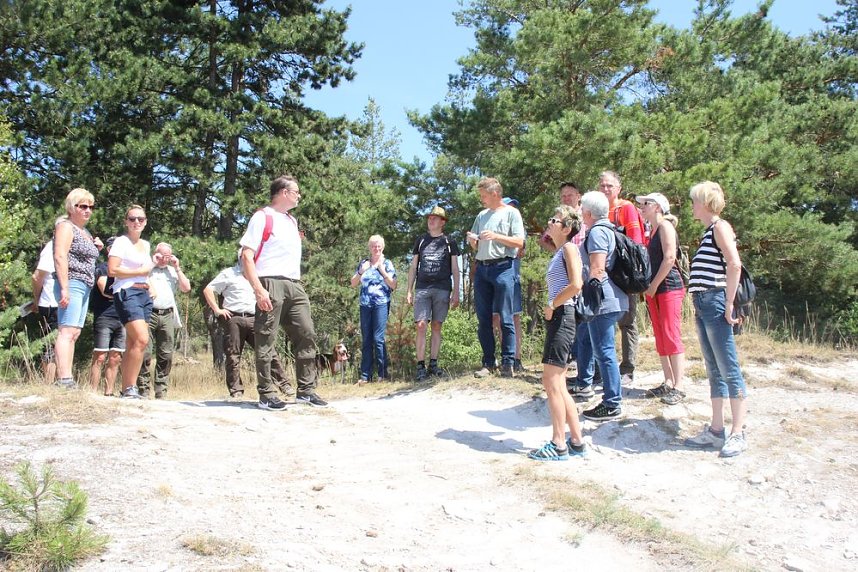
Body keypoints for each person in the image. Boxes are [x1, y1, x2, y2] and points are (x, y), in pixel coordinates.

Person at [240, 174, 328, 410]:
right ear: (283, 193)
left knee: (306, 334)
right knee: (266, 338)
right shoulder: (262, 217)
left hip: (295, 285)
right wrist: (259, 290)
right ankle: (267, 394)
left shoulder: (291, 221)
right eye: (296, 191)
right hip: (270, 282)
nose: (299, 195)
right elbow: (246, 256)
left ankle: (306, 391)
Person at [683, 181, 748, 457]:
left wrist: (730, 302)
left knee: (728, 366)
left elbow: (734, 264)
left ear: (704, 202)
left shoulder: (720, 227)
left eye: (694, 201)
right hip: (704, 302)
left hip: (715, 301)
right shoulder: (710, 230)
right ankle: (716, 429)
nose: (692, 206)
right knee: (714, 367)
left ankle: (738, 431)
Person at [527, 205, 587, 461]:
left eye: (556, 220)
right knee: (559, 384)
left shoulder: (570, 249)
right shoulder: (560, 251)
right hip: (561, 317)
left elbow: (576, 284)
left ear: (567, 228)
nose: (550, 222)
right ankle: (576, 441)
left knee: (551, 381)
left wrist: (552, 305)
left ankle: (558, 443)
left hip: (563, 316)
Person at [569, 191, 628, 421]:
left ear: (589, 212)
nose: (580, 211)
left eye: (582, 208)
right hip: (613, 298)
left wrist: (587, 299)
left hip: (603, 301)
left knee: (604, 352)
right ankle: (611, 400)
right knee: (604, 351)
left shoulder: (597, 233)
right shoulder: (609, 229)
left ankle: (612, 403)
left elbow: (597, 269)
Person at [203, 253, 294, 399]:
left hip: (255, 318)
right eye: (249, 258)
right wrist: (217, 310)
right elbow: (208, 289)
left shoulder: (260, 275)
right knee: (233, 355)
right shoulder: (228, 273)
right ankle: (236, 391)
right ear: (241, 259)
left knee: (268, 351)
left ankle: (284, 384)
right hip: (234, 318)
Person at [467, 177, 525, 378]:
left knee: (506, 317)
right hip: (482, 269)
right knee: (483, 319)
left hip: (503, 267)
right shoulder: (482, 215)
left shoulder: (511, 213)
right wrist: (472, 240)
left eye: (483, 196)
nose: (481, 199)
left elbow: (519, 242)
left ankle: (509, 362)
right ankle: (488, 362)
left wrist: (496, 236)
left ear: (494, 194)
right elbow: (476, 243)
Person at [636, 193, 686, 405]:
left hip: (668, 288)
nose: (642, 207)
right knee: (660, 335)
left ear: (657, 207)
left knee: (671, 333)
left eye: (646, 204)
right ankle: (667, 380)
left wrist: (654, 284)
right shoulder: (653, 230)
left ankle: (679, 386)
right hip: (655, 290)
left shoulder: (665, 227)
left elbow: (669, 258)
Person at [52, 188, 101, 388]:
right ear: (72, 208)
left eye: (91, 207)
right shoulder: (65, 226)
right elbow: (60, 256)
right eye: (83, 206)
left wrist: (96, 248)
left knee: (74, 332)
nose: (87, 210)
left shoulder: (85, 232)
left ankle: (67, 377)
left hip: (84, 284)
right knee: (66, 330)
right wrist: (64, 288)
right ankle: (64, 379)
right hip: (71, 281)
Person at [599, 171, 645, 384]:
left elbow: (636, 243)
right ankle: (601, 367)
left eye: (610, 185)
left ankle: (627, 367)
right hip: (601, 272)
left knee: (627, 321)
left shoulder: (626, 208)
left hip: (623, 273)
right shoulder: (597, 209)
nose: (606, 189)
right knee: (599, 320)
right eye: (602, 185)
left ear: (619, 188)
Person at [405, 206, 460, 382]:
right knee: (421, 325)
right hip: (422, 288)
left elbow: (455, 268)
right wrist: (409, 290)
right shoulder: (421, 240)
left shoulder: (449, 241)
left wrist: (457, 291)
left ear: (443, 222)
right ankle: (420, 366)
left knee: (436, 325)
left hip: (443, 288)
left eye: (435, 218)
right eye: (429, 218)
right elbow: (413, 266)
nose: (431, 220)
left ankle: (433, 364)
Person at [108, 205, 154, 399]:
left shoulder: (146, 244)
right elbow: (112, 270)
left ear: (145, 222)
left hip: (144, 293)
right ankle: (130, 388)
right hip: (127, 292)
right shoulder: (121, 242)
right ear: (126, 221)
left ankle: (127, 387)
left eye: (141, 219)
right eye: (133, 219)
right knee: (142, 339)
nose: (137, 222)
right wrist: (139, 273)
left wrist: (149, 285)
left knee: (133, 342)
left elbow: (147, 271)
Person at [137, 242, 191, 399]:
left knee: (166, 354)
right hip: (148, 313)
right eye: (162, 256)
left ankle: (161, 390)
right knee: (145, 352)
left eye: (168, 256)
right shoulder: (148, 267)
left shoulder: (172, 271)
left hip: (167, 314)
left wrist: (177, 267)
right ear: (156, 253)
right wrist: (153, 262)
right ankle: (143, 389)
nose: (165, 259)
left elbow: (186, 288)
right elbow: (140, 275)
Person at [350, 235, 397, 383]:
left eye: (379, 246)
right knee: (367, 340)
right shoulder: (364, 263)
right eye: (373, 246)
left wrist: (383, 271)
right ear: (370, 247)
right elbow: (353, 283)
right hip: (365, 305)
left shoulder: (387, 263)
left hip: (381, 304)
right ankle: (365, 376)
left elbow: (393, 285)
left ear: (382, 247)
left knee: (378, 339)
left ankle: (383, 374)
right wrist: (360, 272)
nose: (376, 248)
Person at [89, 237, 125, 396]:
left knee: (116, 357)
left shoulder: (126, 270)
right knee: (100, 356)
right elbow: (106, 290)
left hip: (122, 318)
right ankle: (92, 392)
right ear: (109, 250)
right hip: (104, 317)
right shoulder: (102, 268)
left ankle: (109, 393)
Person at [493, 197, 525, 373]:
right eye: (509, 207)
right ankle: (499, 357)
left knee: (514, 318)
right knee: (494, 319)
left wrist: (500, 240)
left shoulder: (518, 228)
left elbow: (520, 249)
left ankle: (516, 358)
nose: (512, 210)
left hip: (511, 276)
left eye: (514, 207)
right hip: (493, 278)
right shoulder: (490, 223)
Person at [31, 241, 59, 384]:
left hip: (66, 303)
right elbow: (37, 276)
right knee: (51, 344)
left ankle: (60, 381)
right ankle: (49, 384)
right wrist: (37, 299)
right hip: (51, 303)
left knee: (60, 343)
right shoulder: (52, 246)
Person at [539, 181, 586, 252]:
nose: (566, 198)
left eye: (570, 195)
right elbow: (543, 240)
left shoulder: (587, 214)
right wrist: (559, 252)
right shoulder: (559, 218)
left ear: (578, 197)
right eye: (563, 196)